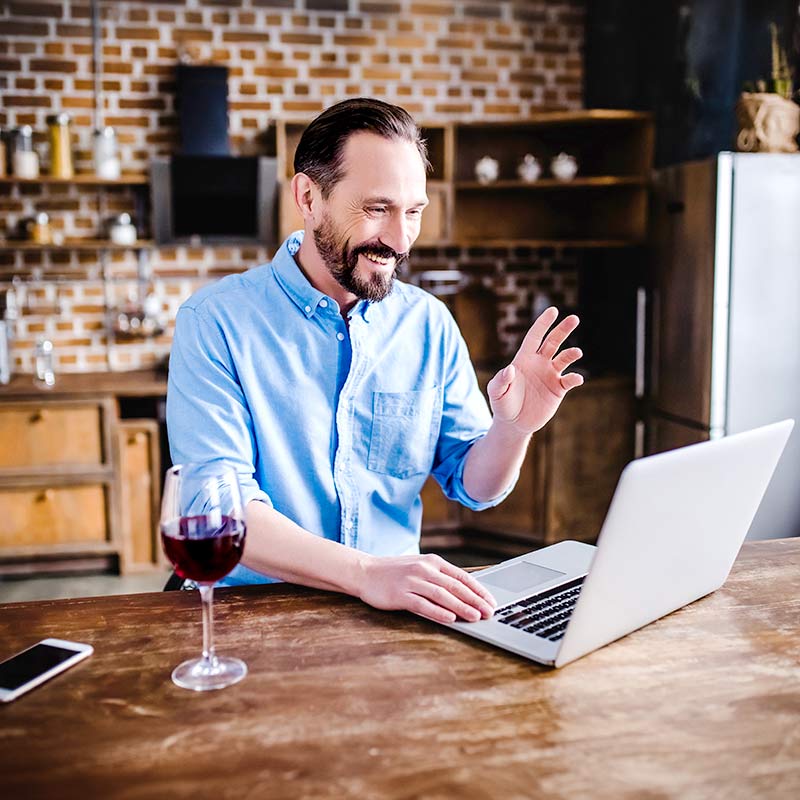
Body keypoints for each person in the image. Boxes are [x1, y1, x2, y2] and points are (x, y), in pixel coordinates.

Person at [167, 97, 584, 624]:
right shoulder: (216, 321)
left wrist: (514, 428)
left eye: (413, 212)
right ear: (308, 197)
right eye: (376, 209)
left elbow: (475, 487)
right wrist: (366, 573)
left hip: (388, 617)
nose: (399, 239)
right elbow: (221, 513)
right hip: (250, 615)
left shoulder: (428, 324)